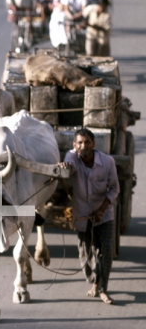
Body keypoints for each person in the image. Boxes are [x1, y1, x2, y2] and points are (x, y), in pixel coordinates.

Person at [58, 129, 119, 305]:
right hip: (82, 215)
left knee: (105, 251)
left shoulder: (107, 162)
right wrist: (65, 167)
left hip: (104, 215)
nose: (83, 146)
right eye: (80, 143)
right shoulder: (72, 157)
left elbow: (115, 189)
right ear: (75, 145)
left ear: (93, 144)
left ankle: (102, 289)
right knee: (86, 254)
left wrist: (101, 210)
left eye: (87, 142)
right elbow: (69, 164)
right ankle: (94, 281)